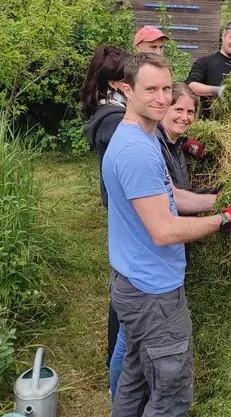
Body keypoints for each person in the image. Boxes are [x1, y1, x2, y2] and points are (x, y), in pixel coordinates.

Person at [104, 52, 231, 417]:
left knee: (136, 377)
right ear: (127, 90)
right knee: (171, 394)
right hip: (153, 293)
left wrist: (220, 200)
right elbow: (164, 230)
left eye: (165, 89)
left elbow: (172, 197)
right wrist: (226, 219)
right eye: (151, 90)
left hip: (133, 281)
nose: (161, 98)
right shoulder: (138, 151)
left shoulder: (140, 137)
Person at [80, 44, 130, 395]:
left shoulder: (111, 110)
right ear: (114, 83)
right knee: (124, 288)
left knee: (122, 281)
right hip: (125, 208)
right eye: (126, 76)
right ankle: (117, 363)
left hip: (120, 206)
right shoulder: (113, 121)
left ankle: (116, 358)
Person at [157, 83, 216, 195]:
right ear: (164, 108)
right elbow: (176, 196)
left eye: (190, 112)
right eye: (179, 110)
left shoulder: (177, 144)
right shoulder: (157, 146)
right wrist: (219, 195)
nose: (184, 118)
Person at [186, 19, 231, 118]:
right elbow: (190, 86)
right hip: (209, 123)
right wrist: (217, 91)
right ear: (223, 36)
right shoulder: (204, 62)